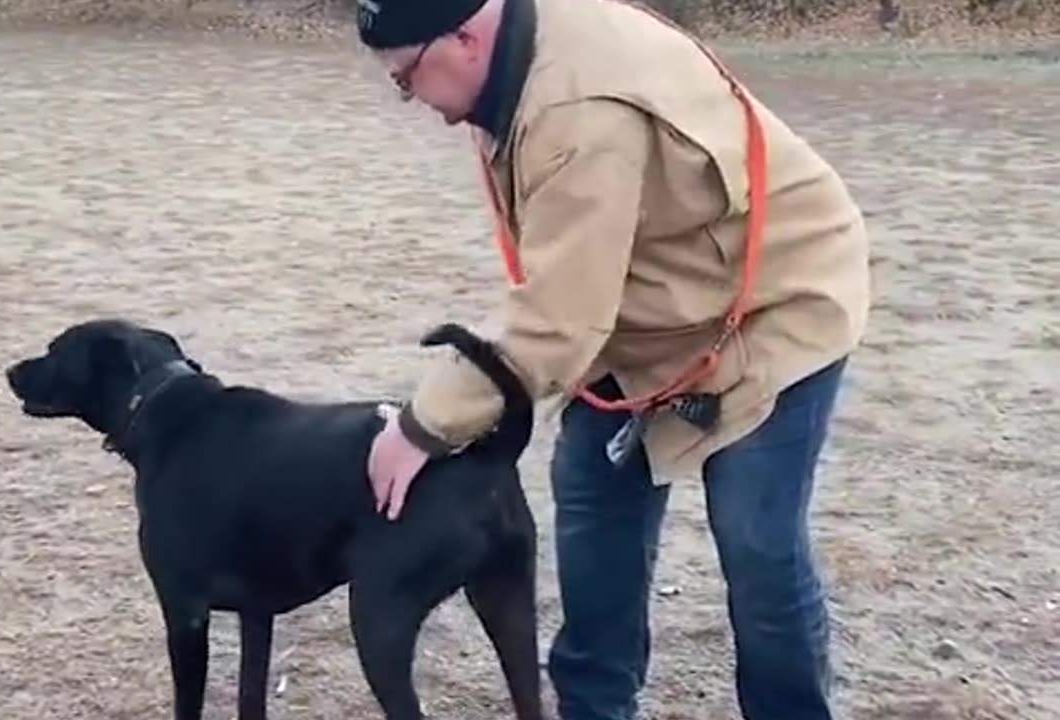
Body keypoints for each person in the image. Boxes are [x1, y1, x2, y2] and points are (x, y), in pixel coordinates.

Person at [358, 0, 870, 718]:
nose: (412, 100)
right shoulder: (516, 58)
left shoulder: (577, 107)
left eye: (407, 79)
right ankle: (594, 708)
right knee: (595, 504)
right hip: (644, 307)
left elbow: (559, 321)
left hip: (772, 300)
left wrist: (423, 426)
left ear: (466, 36)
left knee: (757, 543)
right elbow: (571, 284)